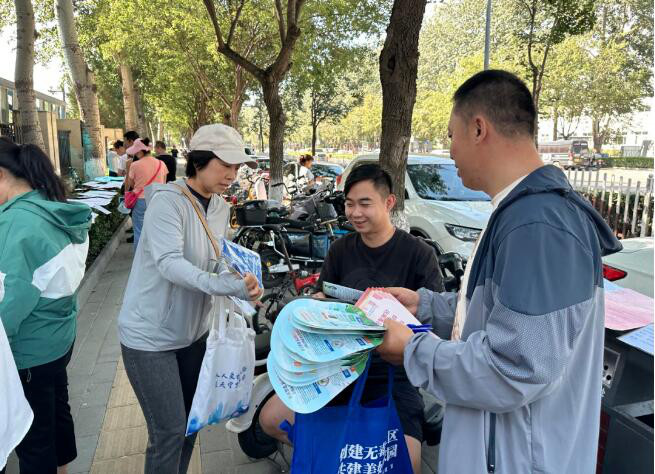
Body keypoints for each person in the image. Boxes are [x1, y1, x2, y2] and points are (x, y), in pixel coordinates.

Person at [376, 70, 622, 473]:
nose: (449, 151)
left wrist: (413, 351)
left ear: (478, 129)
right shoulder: (520, 212)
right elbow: (499, 315)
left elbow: (515, 367)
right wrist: (426, 306)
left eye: (451, 135)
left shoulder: (538, 224)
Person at [260, 163, 444, 473]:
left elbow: (434, 323)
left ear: (389, 202)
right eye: (349, 204)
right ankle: (336, 455)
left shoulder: (418, 254)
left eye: (364, 203)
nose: (355, 212)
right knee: (270, 419)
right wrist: (317, 305)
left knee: (407, 463)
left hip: (393, 373)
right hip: (338, 366)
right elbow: (323, 299)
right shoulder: (340, 249)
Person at [118, 123, 262, 474]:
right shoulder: (167, 202)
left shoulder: (220, 207)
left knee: (189, 425)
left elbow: (216, 258)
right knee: (168, 432)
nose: (232, 175)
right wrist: (224, 286)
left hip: (194, 334)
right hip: (150, 338)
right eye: (225, 164)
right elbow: (169, 264)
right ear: (199, 161)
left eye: (237, 167)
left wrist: (241, 281)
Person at [0, 137, 92, 474]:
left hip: (28, 351)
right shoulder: (53, 207)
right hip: (58, 339)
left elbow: (11, 301)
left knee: (34, 437)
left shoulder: (15, 222)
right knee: (56, 413)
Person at [124, 138, 167, 249]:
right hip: (157, 200)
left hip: (140, 201)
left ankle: (139, 257)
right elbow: (164, 183)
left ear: (140, 151)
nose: (135, 154)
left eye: (136, 152)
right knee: (155, 231)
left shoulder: (135, 165)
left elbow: (131, 183)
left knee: (139, 231)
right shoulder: (161, 164)